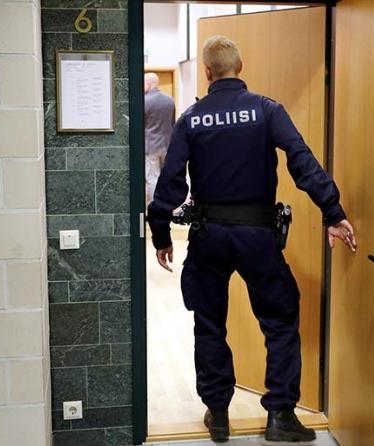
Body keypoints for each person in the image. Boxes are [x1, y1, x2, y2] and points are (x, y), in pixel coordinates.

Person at [147, 36, 357, 443]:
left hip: (208, 236)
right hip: (258, 235)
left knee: (209, 322)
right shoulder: (266, 110)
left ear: (208, 72)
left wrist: (160, 236)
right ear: (239, 68)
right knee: (279, 321)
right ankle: (280, 414)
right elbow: (302, 160)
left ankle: (219, 414)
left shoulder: (191, 119)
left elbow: (170, 185)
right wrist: (332, 211)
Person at [144, 72, 175, 204]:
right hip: (167, 145)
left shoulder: (144, 101)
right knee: (166, 178)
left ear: (148, 84)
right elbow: (172, 123)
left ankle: (153, 207)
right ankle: (166, 206)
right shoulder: (170, 100)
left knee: (152, 179)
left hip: (150, 146)